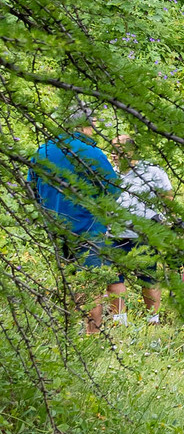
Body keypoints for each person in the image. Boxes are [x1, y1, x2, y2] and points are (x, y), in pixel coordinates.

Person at [27, 105, 120, 332]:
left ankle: (72, 331)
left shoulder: (43, 151)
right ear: (84, 126)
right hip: (89, 226)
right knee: (91, 283)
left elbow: (31, 188)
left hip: (56, 226)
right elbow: (113, 189)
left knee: (69, 280)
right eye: (93, 126)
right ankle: (93, 332)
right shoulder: (92, 153)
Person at [108, 136, 174, 323]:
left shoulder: (152, 172)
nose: (114, 155)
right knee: (113, 279)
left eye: (118, 151)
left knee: (148, 278)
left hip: (142, 235)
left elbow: (167, 198)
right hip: (114, 234)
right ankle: (119, 323)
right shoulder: (111, 173)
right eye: (112, 151)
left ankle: (152, 320)